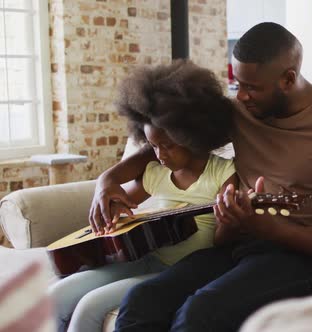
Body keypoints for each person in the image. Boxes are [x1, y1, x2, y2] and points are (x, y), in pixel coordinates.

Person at [91, 22, 312, 332]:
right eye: (237, 83)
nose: (241, 97)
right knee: (141, 300)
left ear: (288, 79)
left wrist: (269, 229)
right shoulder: (244, 110)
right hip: (241, 246)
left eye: (251, 87)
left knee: (201, 313)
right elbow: (171, 142)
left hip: (303, 261)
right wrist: (107, 180)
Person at [49, 60, 238, 332]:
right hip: (145, 258)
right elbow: (123, 203)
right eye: (153, 146)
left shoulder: (223, 174)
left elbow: (222, 244)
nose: (160, 154)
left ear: (193, 136)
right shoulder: (156, 171)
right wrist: (112, 210)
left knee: (91, 306)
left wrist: (230, 222)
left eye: (168, 146)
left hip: (177, 273)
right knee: (55, 297)